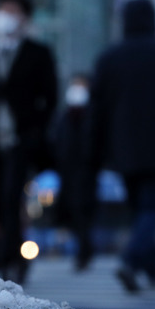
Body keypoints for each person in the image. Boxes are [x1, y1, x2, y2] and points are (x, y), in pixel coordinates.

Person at [88, 0, 155, 292]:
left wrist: (94, 150)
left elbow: (98, 109)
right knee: (152, 207)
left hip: (123, 148)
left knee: (140, 208)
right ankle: (132, 261)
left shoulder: (109, 57)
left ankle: (151, 267)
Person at [0, 0, 58, 284]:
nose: (6, 15)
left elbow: (50, 98)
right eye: (2, 9)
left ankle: (10, 260)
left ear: (24, 18)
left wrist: (35, 129)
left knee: (10, 196)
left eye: (12, 10)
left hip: (20, 140)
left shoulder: (38, 53)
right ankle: (10, 251)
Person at [53, 73, 96, 271]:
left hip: (85, 173)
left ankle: (85, 250)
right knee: (73, 212)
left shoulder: (92, 115)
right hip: (69, 173)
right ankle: (83, 249)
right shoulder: (66, 116)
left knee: (82, 212)